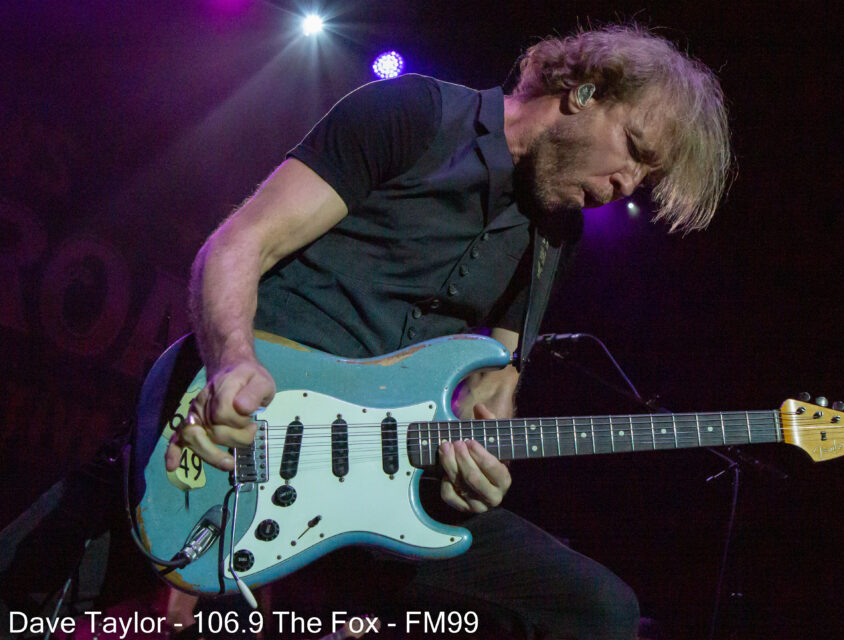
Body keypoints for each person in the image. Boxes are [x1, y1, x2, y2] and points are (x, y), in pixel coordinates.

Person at [163, 24, 732, 640]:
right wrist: (231, 362)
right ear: (585, 93)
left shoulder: (556, 238)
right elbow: (240, 243)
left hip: (382, 489)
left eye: (647, 177)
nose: (629, 183)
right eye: (635, 149)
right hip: (246, 435)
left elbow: (489, 398)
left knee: (599, 610)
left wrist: (478, 472)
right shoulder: (413, 114)